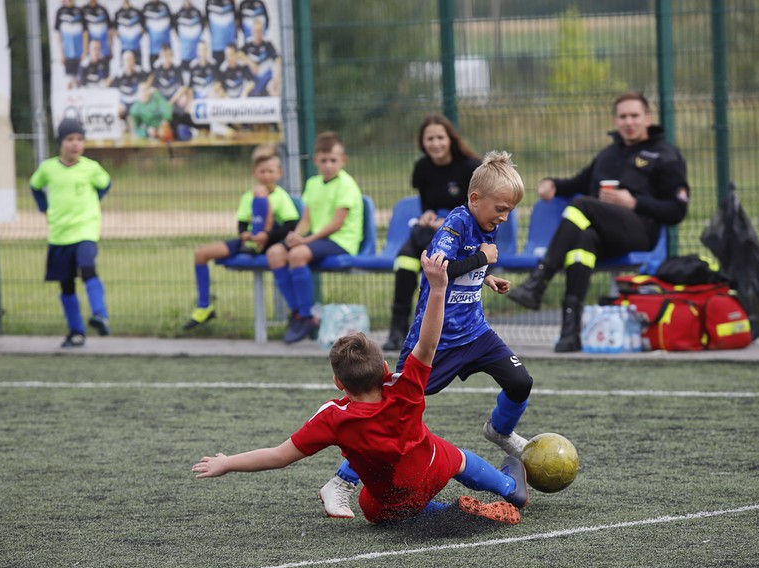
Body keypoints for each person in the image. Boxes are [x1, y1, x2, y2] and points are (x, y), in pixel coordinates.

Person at [192, 250, 529, 526]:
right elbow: (428, 344)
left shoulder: (333, 418)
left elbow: (278, 457)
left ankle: (451, 513)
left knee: (374, 504)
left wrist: (228, 462)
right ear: (384, 370)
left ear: (339, 383)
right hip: (431, 469)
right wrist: (438, 290)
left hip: (390, 502)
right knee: (453, 457)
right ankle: (509, 487)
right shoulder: (404, 386)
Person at [319, 151, 534, 519]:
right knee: (392, 411)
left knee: (520, 382)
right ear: (474, 199)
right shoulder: (455, 225)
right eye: (500, 208)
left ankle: (499, 432)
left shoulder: (487, 225)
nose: (504, 217)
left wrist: (486, 277)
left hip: (475, 333)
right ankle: (341, 482)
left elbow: (465, 271)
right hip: (434, 344)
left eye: (510, 210)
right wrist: (483, 259)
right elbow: (438, 269)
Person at [506, 91, 690, 353]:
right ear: (615, 120)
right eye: (623, 116)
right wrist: (553, 184)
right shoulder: (607, 155)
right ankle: (570, 333)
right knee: (583, 242)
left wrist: (635, 202)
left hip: (640, 233)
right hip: (604, 235)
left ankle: (540, 279)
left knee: (582, 205)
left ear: (647, 118)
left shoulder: (665, 155)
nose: (629, 122)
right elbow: (578, 183)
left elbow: (677, 210)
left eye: (635, 116)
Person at [381, 114, 481, 351]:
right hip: (434, 232)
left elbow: (479, 210)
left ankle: (434, 332)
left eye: (440, 137)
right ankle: (397, 330)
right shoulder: (422, 168)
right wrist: (427, 215)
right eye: (430, 139)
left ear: (450, 139)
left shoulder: (470, 167)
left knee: (431, 257)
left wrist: (449, 223)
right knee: (405, 259)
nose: (435, 143)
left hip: (465, 237)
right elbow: (428, 204)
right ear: (422, 142)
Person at [183, 144, 299, 329]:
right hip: (249, 242)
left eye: (271, 171)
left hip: (269, 244)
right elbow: (242, 222)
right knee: (201, 254)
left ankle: (297, 312)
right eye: (262, 171)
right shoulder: (248, 196)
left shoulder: (281, 197)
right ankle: (204, 306)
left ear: (279, 173)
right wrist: (244, 234)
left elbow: (291, 224)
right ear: (254, 173)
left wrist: (267, 235)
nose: (267, 175)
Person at [267, 132, 364, 344]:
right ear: (316, 161)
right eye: (324, 160)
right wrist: (297, 235)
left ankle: (306, 315)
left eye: (333, 160)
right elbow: (306, 220)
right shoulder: (313, 183)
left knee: (297, 254)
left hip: (341, 241)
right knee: (274, 253)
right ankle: (300, 315)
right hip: (316, 239)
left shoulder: (347, 184)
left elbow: (337, 224)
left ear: (343, 161)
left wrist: (305, 241)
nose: (328, 165)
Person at [29, 118, 112, 348]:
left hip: (86, 230)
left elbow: (105, 184)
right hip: (59, 235)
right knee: (66, 284)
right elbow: (35, 186)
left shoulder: (90, 168)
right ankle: (76, 332)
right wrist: (44, 207)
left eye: (80, 139)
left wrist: (91, 204)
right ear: (61, 143)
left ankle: (100, 315)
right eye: (70, 139)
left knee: (87, 267)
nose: (75, 144)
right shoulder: (48, 168)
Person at [239, 19, 280, 97]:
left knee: (273, 89)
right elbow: (238, 53)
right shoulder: (248, 44)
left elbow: (278, 60)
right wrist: (250, 63)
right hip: (252, 81)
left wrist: (277, 78)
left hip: (266, 79)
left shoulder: (267, 44)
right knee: (246, 89)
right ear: (252, 32)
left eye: (260, 31)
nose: (258, 33)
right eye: (256, 31)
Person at [54, 0, 86, 89]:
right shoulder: (60, 11)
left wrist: (85, 50)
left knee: (80, 79)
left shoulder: (79, 11)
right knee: (69, 80)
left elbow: (85, 32)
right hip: (67, 52)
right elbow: (57, 33)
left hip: (79, 51)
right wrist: (61, 52)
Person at [113, 0, 145, 70]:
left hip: (136, 47)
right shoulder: (118, 13)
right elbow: (115, 31)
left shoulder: (137, 12)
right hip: (124, 47)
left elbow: (143, 29)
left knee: (138, 69)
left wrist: (137, 38)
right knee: (124, 69)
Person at [142, 0, 173, 69]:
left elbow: (172, 24)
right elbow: (142, 27)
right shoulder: (146, 7)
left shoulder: (165, 5)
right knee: (154, 73)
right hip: (153, 49)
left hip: (166, 49)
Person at [206, 0, 238, 66]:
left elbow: (237, 20)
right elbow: (207, 22)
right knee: (218, 73)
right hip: (217, 46)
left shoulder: (231, 1)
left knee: (232, 73)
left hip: (231, 45)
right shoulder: (209, 2)